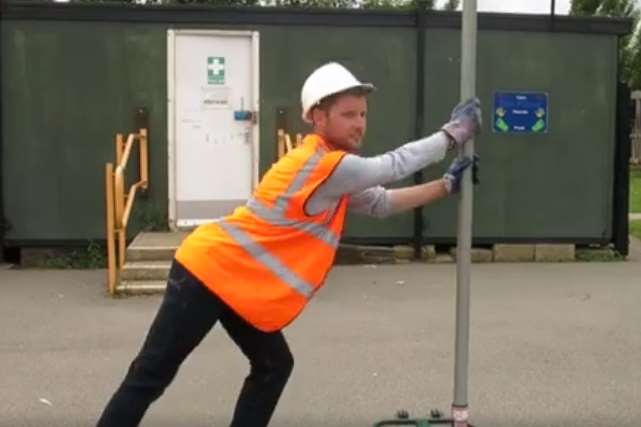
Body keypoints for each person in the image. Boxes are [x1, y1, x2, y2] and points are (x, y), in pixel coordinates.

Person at [96, 62, 481, 427]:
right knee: (152, 373)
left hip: (239, 283)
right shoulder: (324, 166)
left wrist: (444, 186)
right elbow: (392, 165)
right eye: (348, 114)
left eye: (363, 114)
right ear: (317, 116)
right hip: (207, 272)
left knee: (273, 365)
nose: (359, 124)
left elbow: (379, 202)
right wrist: (451, 135)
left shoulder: (333, 166)